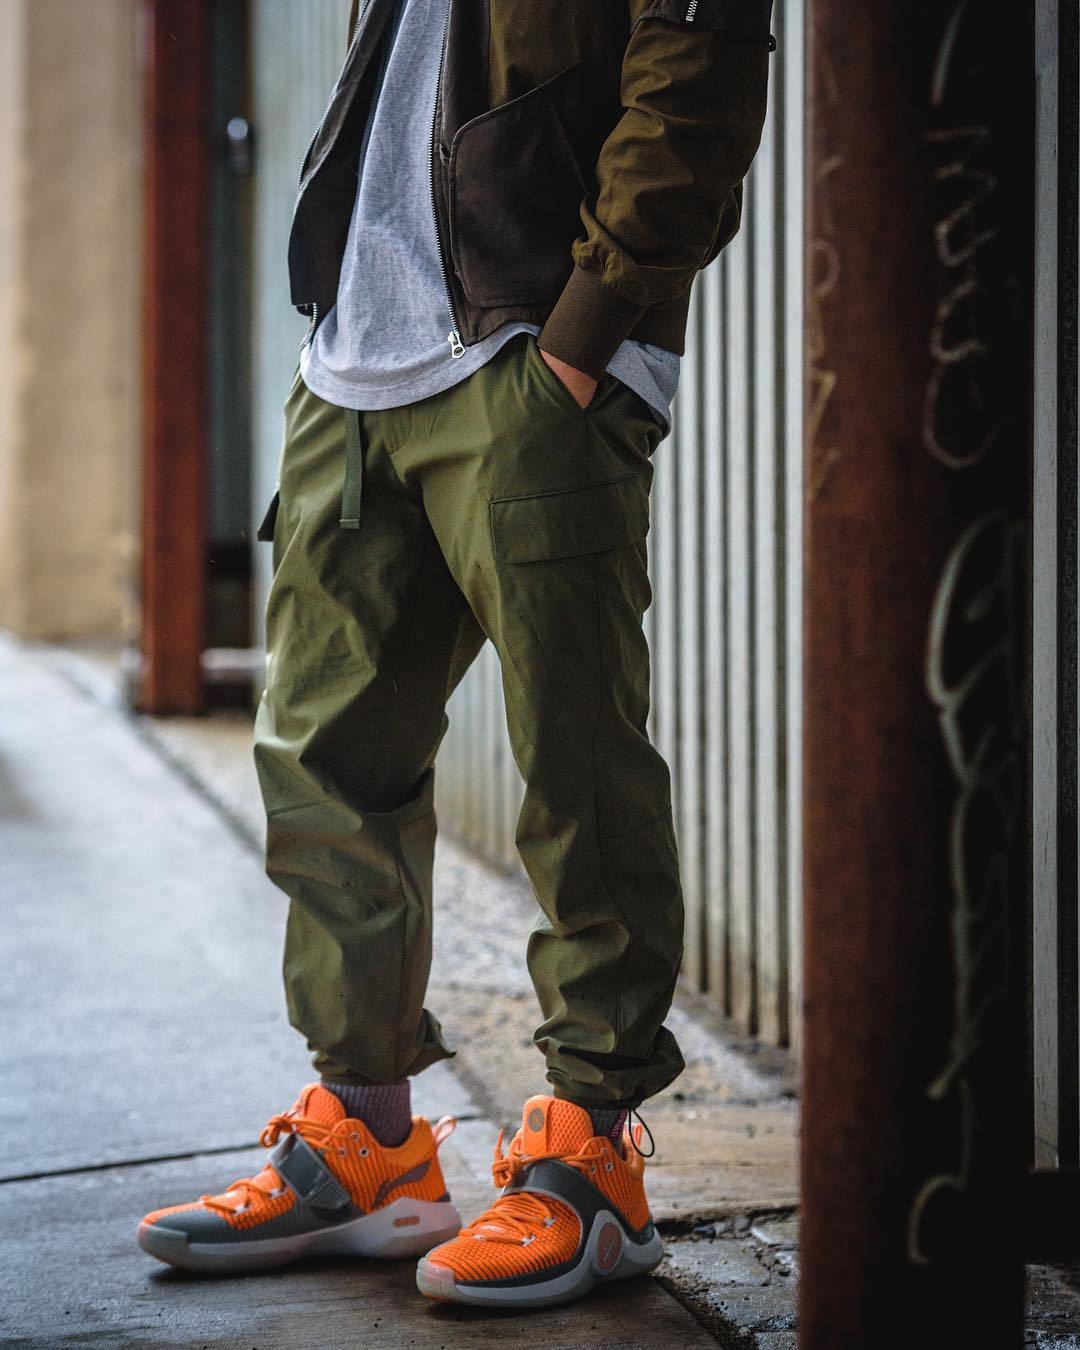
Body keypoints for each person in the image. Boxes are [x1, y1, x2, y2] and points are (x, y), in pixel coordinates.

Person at [138, 0, 773, 1309]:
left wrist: (586, 336)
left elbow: (697, 71)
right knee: (325, 760)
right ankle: (366, 1142)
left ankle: (591, 1157)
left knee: (574, 755)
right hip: (353, 364)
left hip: (528, 347)